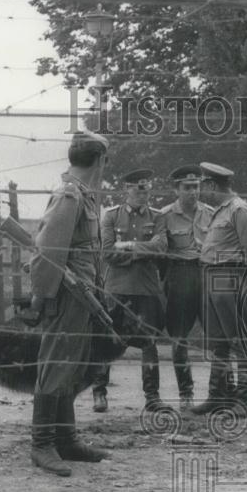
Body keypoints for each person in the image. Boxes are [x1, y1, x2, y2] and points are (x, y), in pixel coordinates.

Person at [28, 130, 111, 477]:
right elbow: (48, 252)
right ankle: (42, 444)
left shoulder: (84, 196)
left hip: (84, 296)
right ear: (100, 161)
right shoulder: (69, 196)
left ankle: (66, 439)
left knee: (71, 367)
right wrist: (44, 297)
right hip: (67, 296)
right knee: (55, 365)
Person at [91, 168, 169, 413]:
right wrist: (140, 253)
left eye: (146, 188)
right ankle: (99, 393)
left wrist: (129, 245)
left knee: (148, 343)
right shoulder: (111, 217)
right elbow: (108, 253)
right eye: (137, 188)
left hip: (146, 289)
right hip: (117, 289)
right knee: (107, 339)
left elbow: (161, 248)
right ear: (127, 190)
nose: (142, 193)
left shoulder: (158, 217)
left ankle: (152, 397)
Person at [191, 161, 247, 418]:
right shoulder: (219, 210)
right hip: (211, 277)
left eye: (202, 185)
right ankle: (217, 396)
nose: (201, 191)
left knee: (239, 342)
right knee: (218, 343)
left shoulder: (238, 209)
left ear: (211, 184)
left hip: (230, 278)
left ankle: (243, 401)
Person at [153, 164, 216, 411]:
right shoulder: (164, 215)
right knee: (180, 338)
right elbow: (159, 251)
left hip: (207, 275)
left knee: (218, 336)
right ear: (176, 189)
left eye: (196, 187)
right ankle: (186, 394)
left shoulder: (211, 214)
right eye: (187, 187)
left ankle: (220, 392)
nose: (193, 192)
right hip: (180, 277)